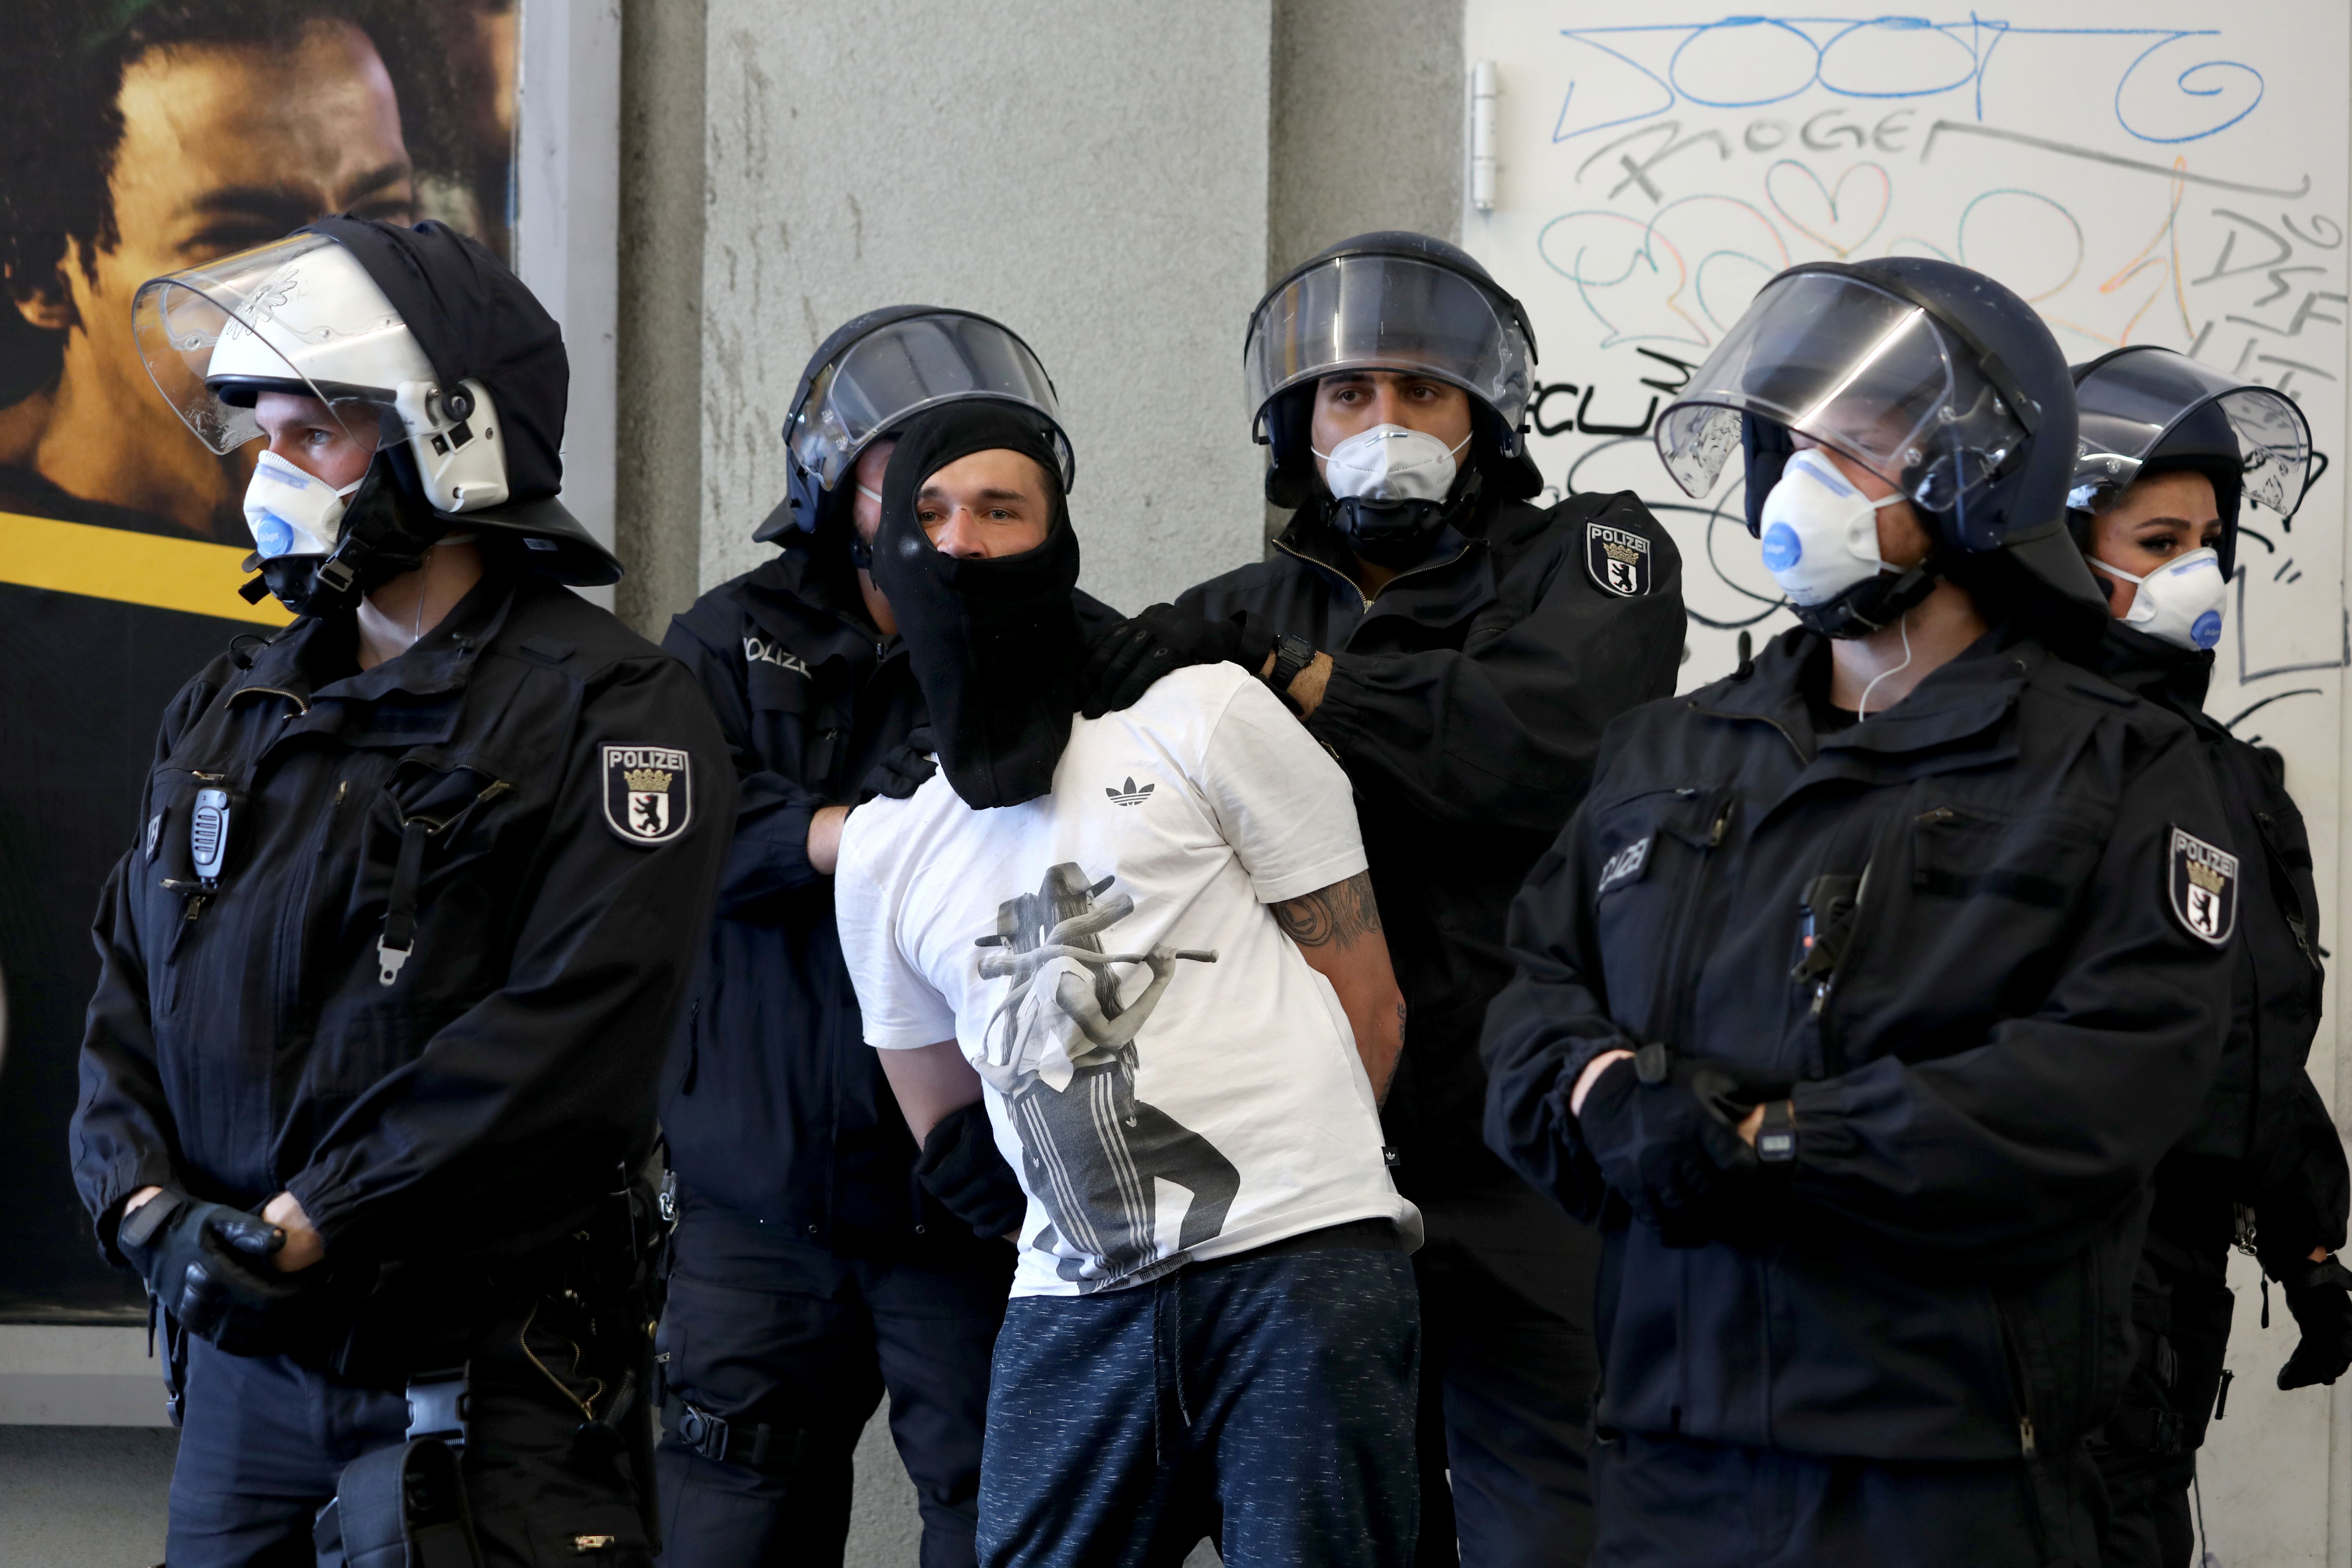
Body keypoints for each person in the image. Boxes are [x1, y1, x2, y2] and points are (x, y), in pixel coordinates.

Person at [1482, 258, 2239, 1566]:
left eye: (1857, 446)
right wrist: (1608, 1095)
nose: (1801, 482)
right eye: (1790, 444)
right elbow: (1532, 1000)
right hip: (1674, 1452)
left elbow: (2108, 1081)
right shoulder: (1667, 752)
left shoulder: (2118, 762)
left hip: (1942, 1470)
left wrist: (1784, 1139)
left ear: (1977, 473)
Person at [70, 217, 731, 1566]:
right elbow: (127, 992)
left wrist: (317, 1222)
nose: (270, 474)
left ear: (451, 438)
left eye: (312, 435)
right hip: (244, 1373)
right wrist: (147, 1216)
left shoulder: (613, 706)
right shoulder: (232, 705)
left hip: (485, 1386)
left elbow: (573, 1038)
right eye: (257, 436)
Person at [1077, 230, 1686, 1566]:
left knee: (1560, 1531)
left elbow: (1540, 743)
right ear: (1301, 421)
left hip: (1531, 1153)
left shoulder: (1595, 555)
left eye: (1424, 392)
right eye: (1352, 394)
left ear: (1486, 419)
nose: (1387, 421)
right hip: (1314, 1177)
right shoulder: (1240, 603)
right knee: (1343, 1529)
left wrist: (1299, 683)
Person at [835, 400, 1421, 1567]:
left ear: (1056, 539)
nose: (962, 544)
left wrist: (1298, 1197)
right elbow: (945, 1118)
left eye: (1001, 510)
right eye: (934, 515)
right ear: (888, 550)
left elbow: (1370, 1003)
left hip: (1298, 1275)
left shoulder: (1204, 717)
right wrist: (1096, 1232)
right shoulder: (883, 850)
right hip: (1072, 1301)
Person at [655, 308, 1096, 1567]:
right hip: (758, 1207)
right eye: (905, 481)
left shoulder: (1079, 651)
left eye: (986, 498)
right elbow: (673, 843)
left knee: (1003, 1521)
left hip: (974, 1205)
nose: (941, 523)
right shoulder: (726, 639)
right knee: (729, 1528)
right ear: (835, 483)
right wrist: (868, 839)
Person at [2059, 345, 2352, 1567]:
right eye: (2158, 540)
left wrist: (2311, 1241)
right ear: (2062, 549)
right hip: (2057, 1263)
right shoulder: (2011, 758)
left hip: (2177, 1271)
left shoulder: (2232, 780)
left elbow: (2257, 1026)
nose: (2199, 572)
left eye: (2211, 540)